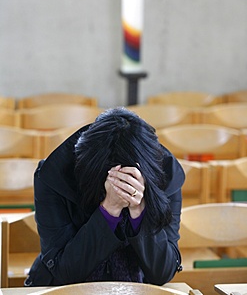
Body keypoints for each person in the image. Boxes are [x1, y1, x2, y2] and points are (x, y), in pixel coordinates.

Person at [25, 107, 185, 287]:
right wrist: (109, 208)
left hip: (141, 287)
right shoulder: (55, 174)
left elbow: (162, 272)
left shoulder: (165, 172)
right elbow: (65, 271)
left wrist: (138, 210)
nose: (120, 186)